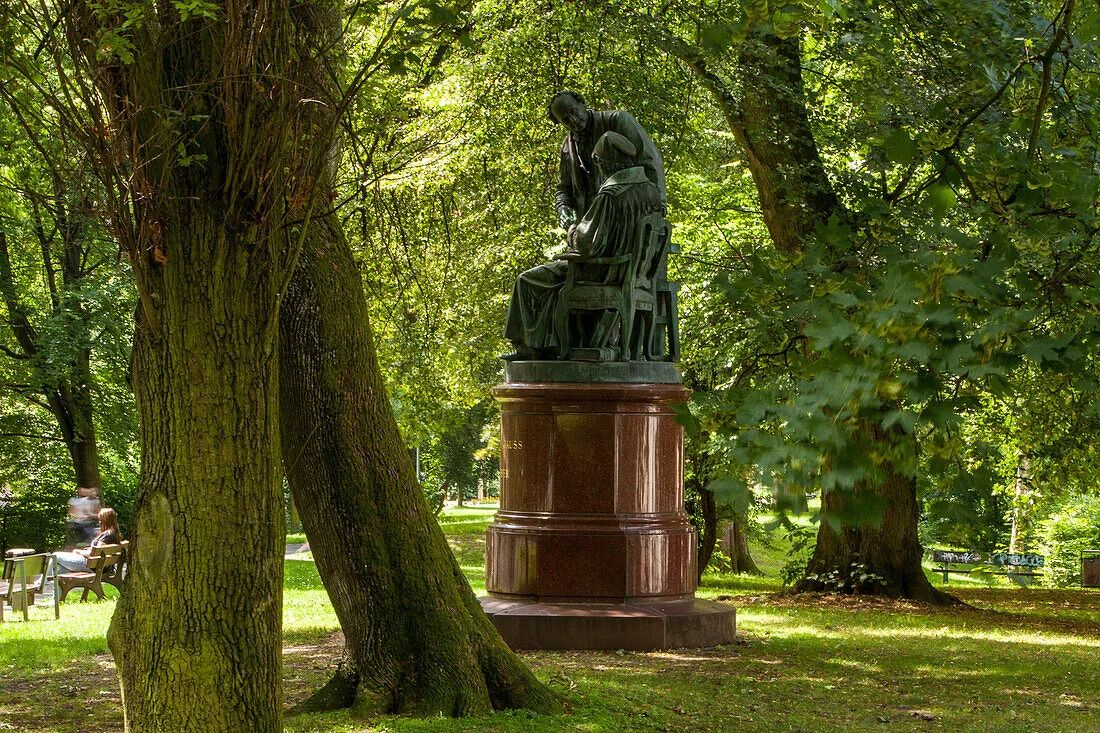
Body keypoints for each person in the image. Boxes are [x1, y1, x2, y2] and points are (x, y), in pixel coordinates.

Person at [503, 131, 663, 359]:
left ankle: (530, 348)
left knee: (527, 280)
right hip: (634, 274)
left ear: (606, 163)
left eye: (598, 163)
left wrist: (571, 229)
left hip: (602, 272)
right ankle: (551, 346)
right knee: (552, 285)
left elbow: (586, 243)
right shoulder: (651, 192)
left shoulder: (611, 195)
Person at [548, 90, 666, 230]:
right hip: (591, 220)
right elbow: (564, 187)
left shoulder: (618, 120)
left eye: (574, 111)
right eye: (566, 119)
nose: (573, 120)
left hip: (628, 212)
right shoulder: (567, 147)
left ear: (582, 102)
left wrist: (659, 204)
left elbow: (650, 160)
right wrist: (562, 207)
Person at [54, 507, 121, 573]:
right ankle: (54, 582)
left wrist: (79, 552)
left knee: (55, 556)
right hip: (99, 566)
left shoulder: (107, 535)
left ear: (105, 520)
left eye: (100, 520)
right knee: (60, 568)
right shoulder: (114, 533)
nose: (99, 522)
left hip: (91, 565)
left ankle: (47, 583)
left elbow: (96, 554)